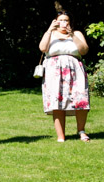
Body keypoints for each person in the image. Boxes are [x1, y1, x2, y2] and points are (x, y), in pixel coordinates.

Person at [39, 9, 90, 142]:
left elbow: (84, 50)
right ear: (55, 21)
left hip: (75, 70)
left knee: (80, 99)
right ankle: (61, 136)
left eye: (66, 20)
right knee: (57, 101)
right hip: (54, 72)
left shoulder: (77, 33)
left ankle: (81, 131)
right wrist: (49, 30)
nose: (63, 23)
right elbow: (43, 48)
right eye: (60, 20)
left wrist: (71, 34)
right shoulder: (50, 34)